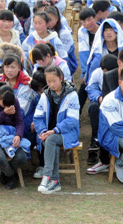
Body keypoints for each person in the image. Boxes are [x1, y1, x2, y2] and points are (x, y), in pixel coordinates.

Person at [33, 64, 79, 194]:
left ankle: (46, 177)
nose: (51, 84)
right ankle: (55, 181)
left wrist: (54, 130)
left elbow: (72, 120)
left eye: (54, 81)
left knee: (51, 140)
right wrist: (42, 131)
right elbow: (38, 117)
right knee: (49, 140)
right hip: (49, 134)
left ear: (61, 78)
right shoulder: (45, 95)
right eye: (48, 81)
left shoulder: (72, 95)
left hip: (68, 133)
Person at [0, 82, 27, 189]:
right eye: (4, 104)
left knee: (22, 158)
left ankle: (5, 173)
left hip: (10, 133)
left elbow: (19, 122)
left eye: (10, 105)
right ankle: (11, 176)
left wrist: (18, 135)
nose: (8, 107)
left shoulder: (14, 101)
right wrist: (4, 113)